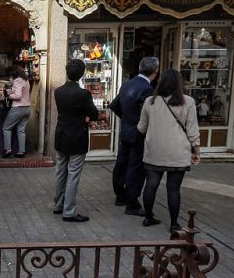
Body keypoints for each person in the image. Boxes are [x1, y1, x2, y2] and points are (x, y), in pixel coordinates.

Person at [137, 69, 200, 232]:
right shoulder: (188, 102)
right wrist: (197, 151)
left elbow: (141, 128)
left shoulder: (150, 101)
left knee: (150, 185)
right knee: (173, 188)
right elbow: (193, 130)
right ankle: (173, 224)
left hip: (154, 150)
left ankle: (148, 217)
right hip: (178, 152)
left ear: (161, 82)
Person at [109, 56, 158, 216]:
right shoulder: (147, 89)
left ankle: (120, 194)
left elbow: (115, 105)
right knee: (135, 167)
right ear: (155, 72)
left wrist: (127, 119)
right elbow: (147, 114)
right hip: (139, 132)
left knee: (122, 162)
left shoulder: (128, 84)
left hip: (126, 130)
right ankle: (132, 202)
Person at [53, 59, 99, 222]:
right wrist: (85, 117)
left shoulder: (58, 91)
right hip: (77, 137)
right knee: (73, 175)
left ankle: (58, 205)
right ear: (81, 74)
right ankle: (69, 211)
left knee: (60, 172)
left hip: (61, 135)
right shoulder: (83, 94)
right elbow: (94, 114)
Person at [1, 65, 31, 158]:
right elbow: (19, 91)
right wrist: (11, 91)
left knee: (6, 128)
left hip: (18, 108)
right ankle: (22, 151)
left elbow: (18, 96)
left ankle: (8, 150)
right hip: (27, 108)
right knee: (21, 130)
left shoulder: (17, 80)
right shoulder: (25, 80)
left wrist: (8, 96)